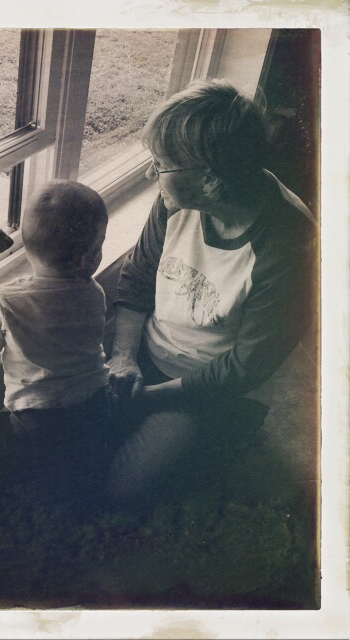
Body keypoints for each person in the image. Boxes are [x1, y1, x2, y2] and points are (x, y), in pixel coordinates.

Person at [106, 79, 317, 515]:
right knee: (73, 435)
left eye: (161, 165)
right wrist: (123, 357)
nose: (150, 175)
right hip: (147, 352)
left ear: (210, 178)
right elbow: (138, 279)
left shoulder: (288, 244)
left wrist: (148, 397)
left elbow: (245, 367)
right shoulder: (174, 200)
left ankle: (215, 441)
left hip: (210, 386)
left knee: (123, 492)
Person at [0, 180, 113, 525]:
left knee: (5, 471)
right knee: (79, 469)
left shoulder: (4, 300)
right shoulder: (93, 292)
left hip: (35, 418)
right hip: (95, 402)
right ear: (90, 255)